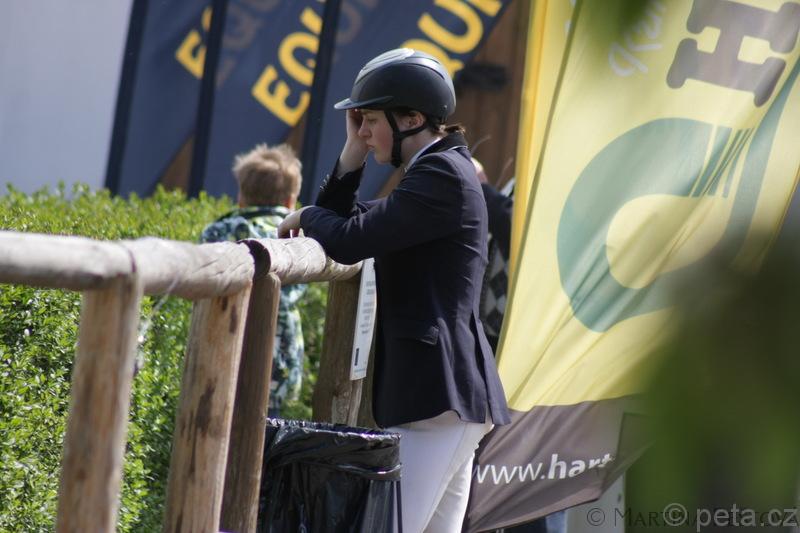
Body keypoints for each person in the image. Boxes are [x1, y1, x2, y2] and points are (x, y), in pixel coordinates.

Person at [278, 48, 510, 532]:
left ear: (411, 118)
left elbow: (347, 239)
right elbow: (349, 221)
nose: (362, 130)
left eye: (369, 121)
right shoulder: (437, 169)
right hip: (443, 399)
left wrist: (306, 215)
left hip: (436, 400)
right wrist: (352, 153)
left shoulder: (441, 174)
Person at [200, 142, 306, 419]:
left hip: (222, 347)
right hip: (278, 361)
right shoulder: (297, 235)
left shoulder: (218, 231)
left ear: (241, 198)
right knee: (267, 425)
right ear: (290, 202)